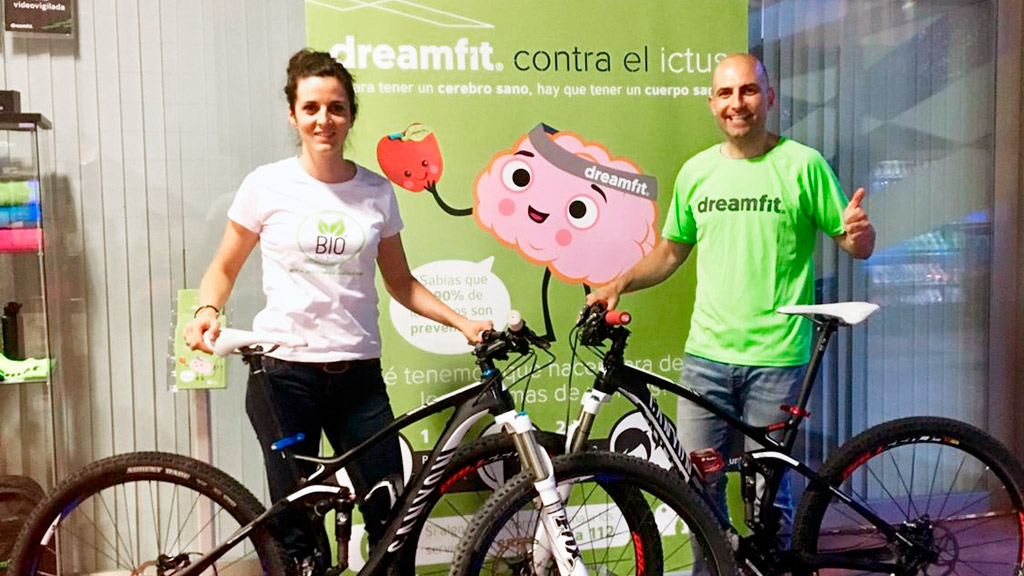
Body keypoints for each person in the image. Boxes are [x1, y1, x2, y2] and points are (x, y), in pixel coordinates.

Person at [184, 48, 492, 574]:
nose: (323, 119)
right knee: (299, 539)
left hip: (359, 381)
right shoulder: (267, 185)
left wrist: (464, 323)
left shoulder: (376, 190)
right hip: (284, 381)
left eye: (336, 107)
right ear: (293, 114)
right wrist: (208, 308)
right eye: (311, 108)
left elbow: (401, 283)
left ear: (350, 114)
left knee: (391, 522)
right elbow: (224, 267)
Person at [588, 53, 875, 549]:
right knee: (698, 496)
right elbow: (670, 252)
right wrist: (620, 283)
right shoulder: (697, 172)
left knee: (771, 503)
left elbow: (854, 244)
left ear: (769, 98)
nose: (736, 103)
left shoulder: (802, 164)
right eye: (725, 93)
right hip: (706, 361)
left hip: (778, 359)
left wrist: (859, 235)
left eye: (747, 91)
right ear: (712, 102)